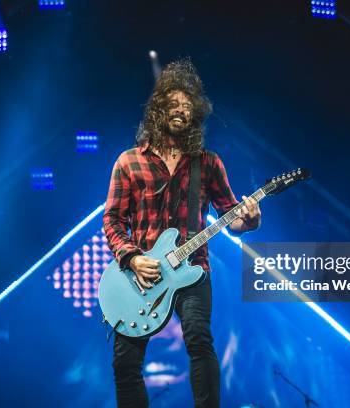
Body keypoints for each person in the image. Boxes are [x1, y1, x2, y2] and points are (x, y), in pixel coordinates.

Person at [102, 59, 261, 408]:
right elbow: (112, 219)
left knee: (200, 341)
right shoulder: (128, 161)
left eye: (188, 107)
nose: (181, 111)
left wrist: (248, 222)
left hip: (193, 270)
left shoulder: (208, 163)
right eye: (174, 104)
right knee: (125, 363)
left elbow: (230, 217)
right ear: (158, 109)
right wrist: (132, 257)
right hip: (141, 275)